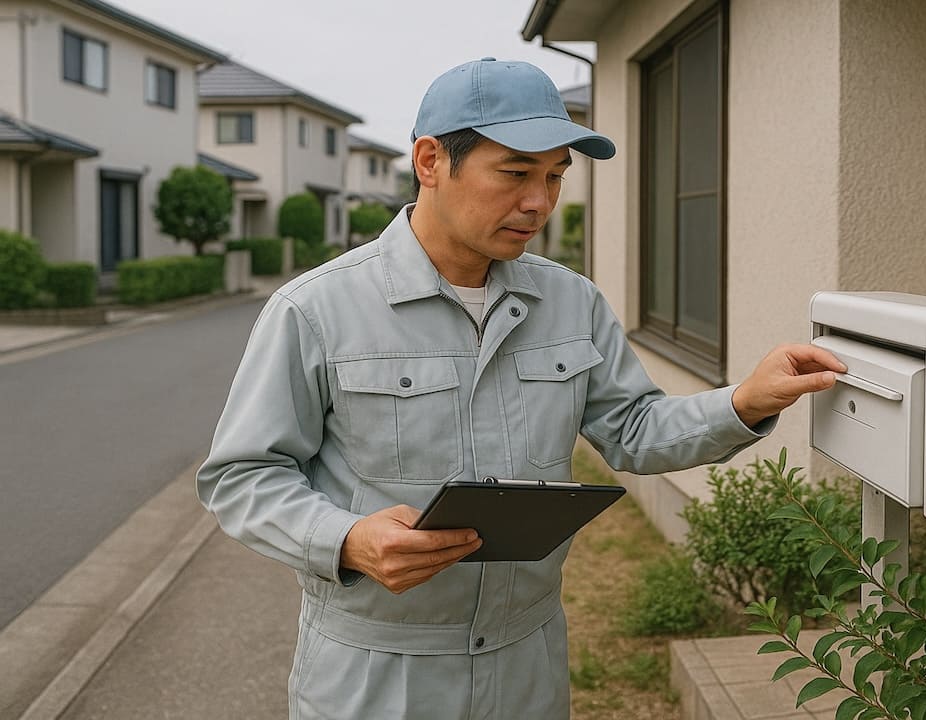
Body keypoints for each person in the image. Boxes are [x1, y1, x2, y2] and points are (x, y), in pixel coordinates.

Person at [197, 57, 846, 720]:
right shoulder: (316, 310)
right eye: (515, 174)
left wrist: (746, 401)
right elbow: (243, 475)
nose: (538, 202)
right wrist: (346, 538)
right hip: (374, 676)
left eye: (555, 176)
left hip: (527, 667)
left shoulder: (572, 303)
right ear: (430, 161)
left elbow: (632, 429)